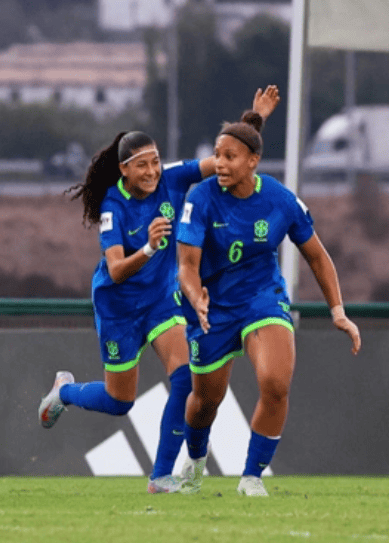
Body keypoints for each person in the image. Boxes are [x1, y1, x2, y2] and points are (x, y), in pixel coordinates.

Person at [39, 87, 281, 494]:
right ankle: (64, 391)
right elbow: (115, 270)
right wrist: (150, 246)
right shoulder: (114, 209)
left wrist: (254, 118)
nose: (152, 172)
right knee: (120, 403)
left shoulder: (172, 178)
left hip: (160, 300)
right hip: (118, 306)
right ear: (124, 172)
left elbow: (225, 161)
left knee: (186, 376)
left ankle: (160, 476)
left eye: (155, 162)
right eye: (142, 166)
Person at [175, 112, 361, 497]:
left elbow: (317, 257)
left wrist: (338, 311)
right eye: (217, 156)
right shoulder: (201, 198)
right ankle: (194, 459)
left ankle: (251, 476)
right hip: (212, 307)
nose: (220, 164)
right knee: (206, 400)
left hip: (263, 298)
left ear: (252, 162)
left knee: (276, 384)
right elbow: (187, 267)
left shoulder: (280, 200)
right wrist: (196, 296)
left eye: (230, 157)